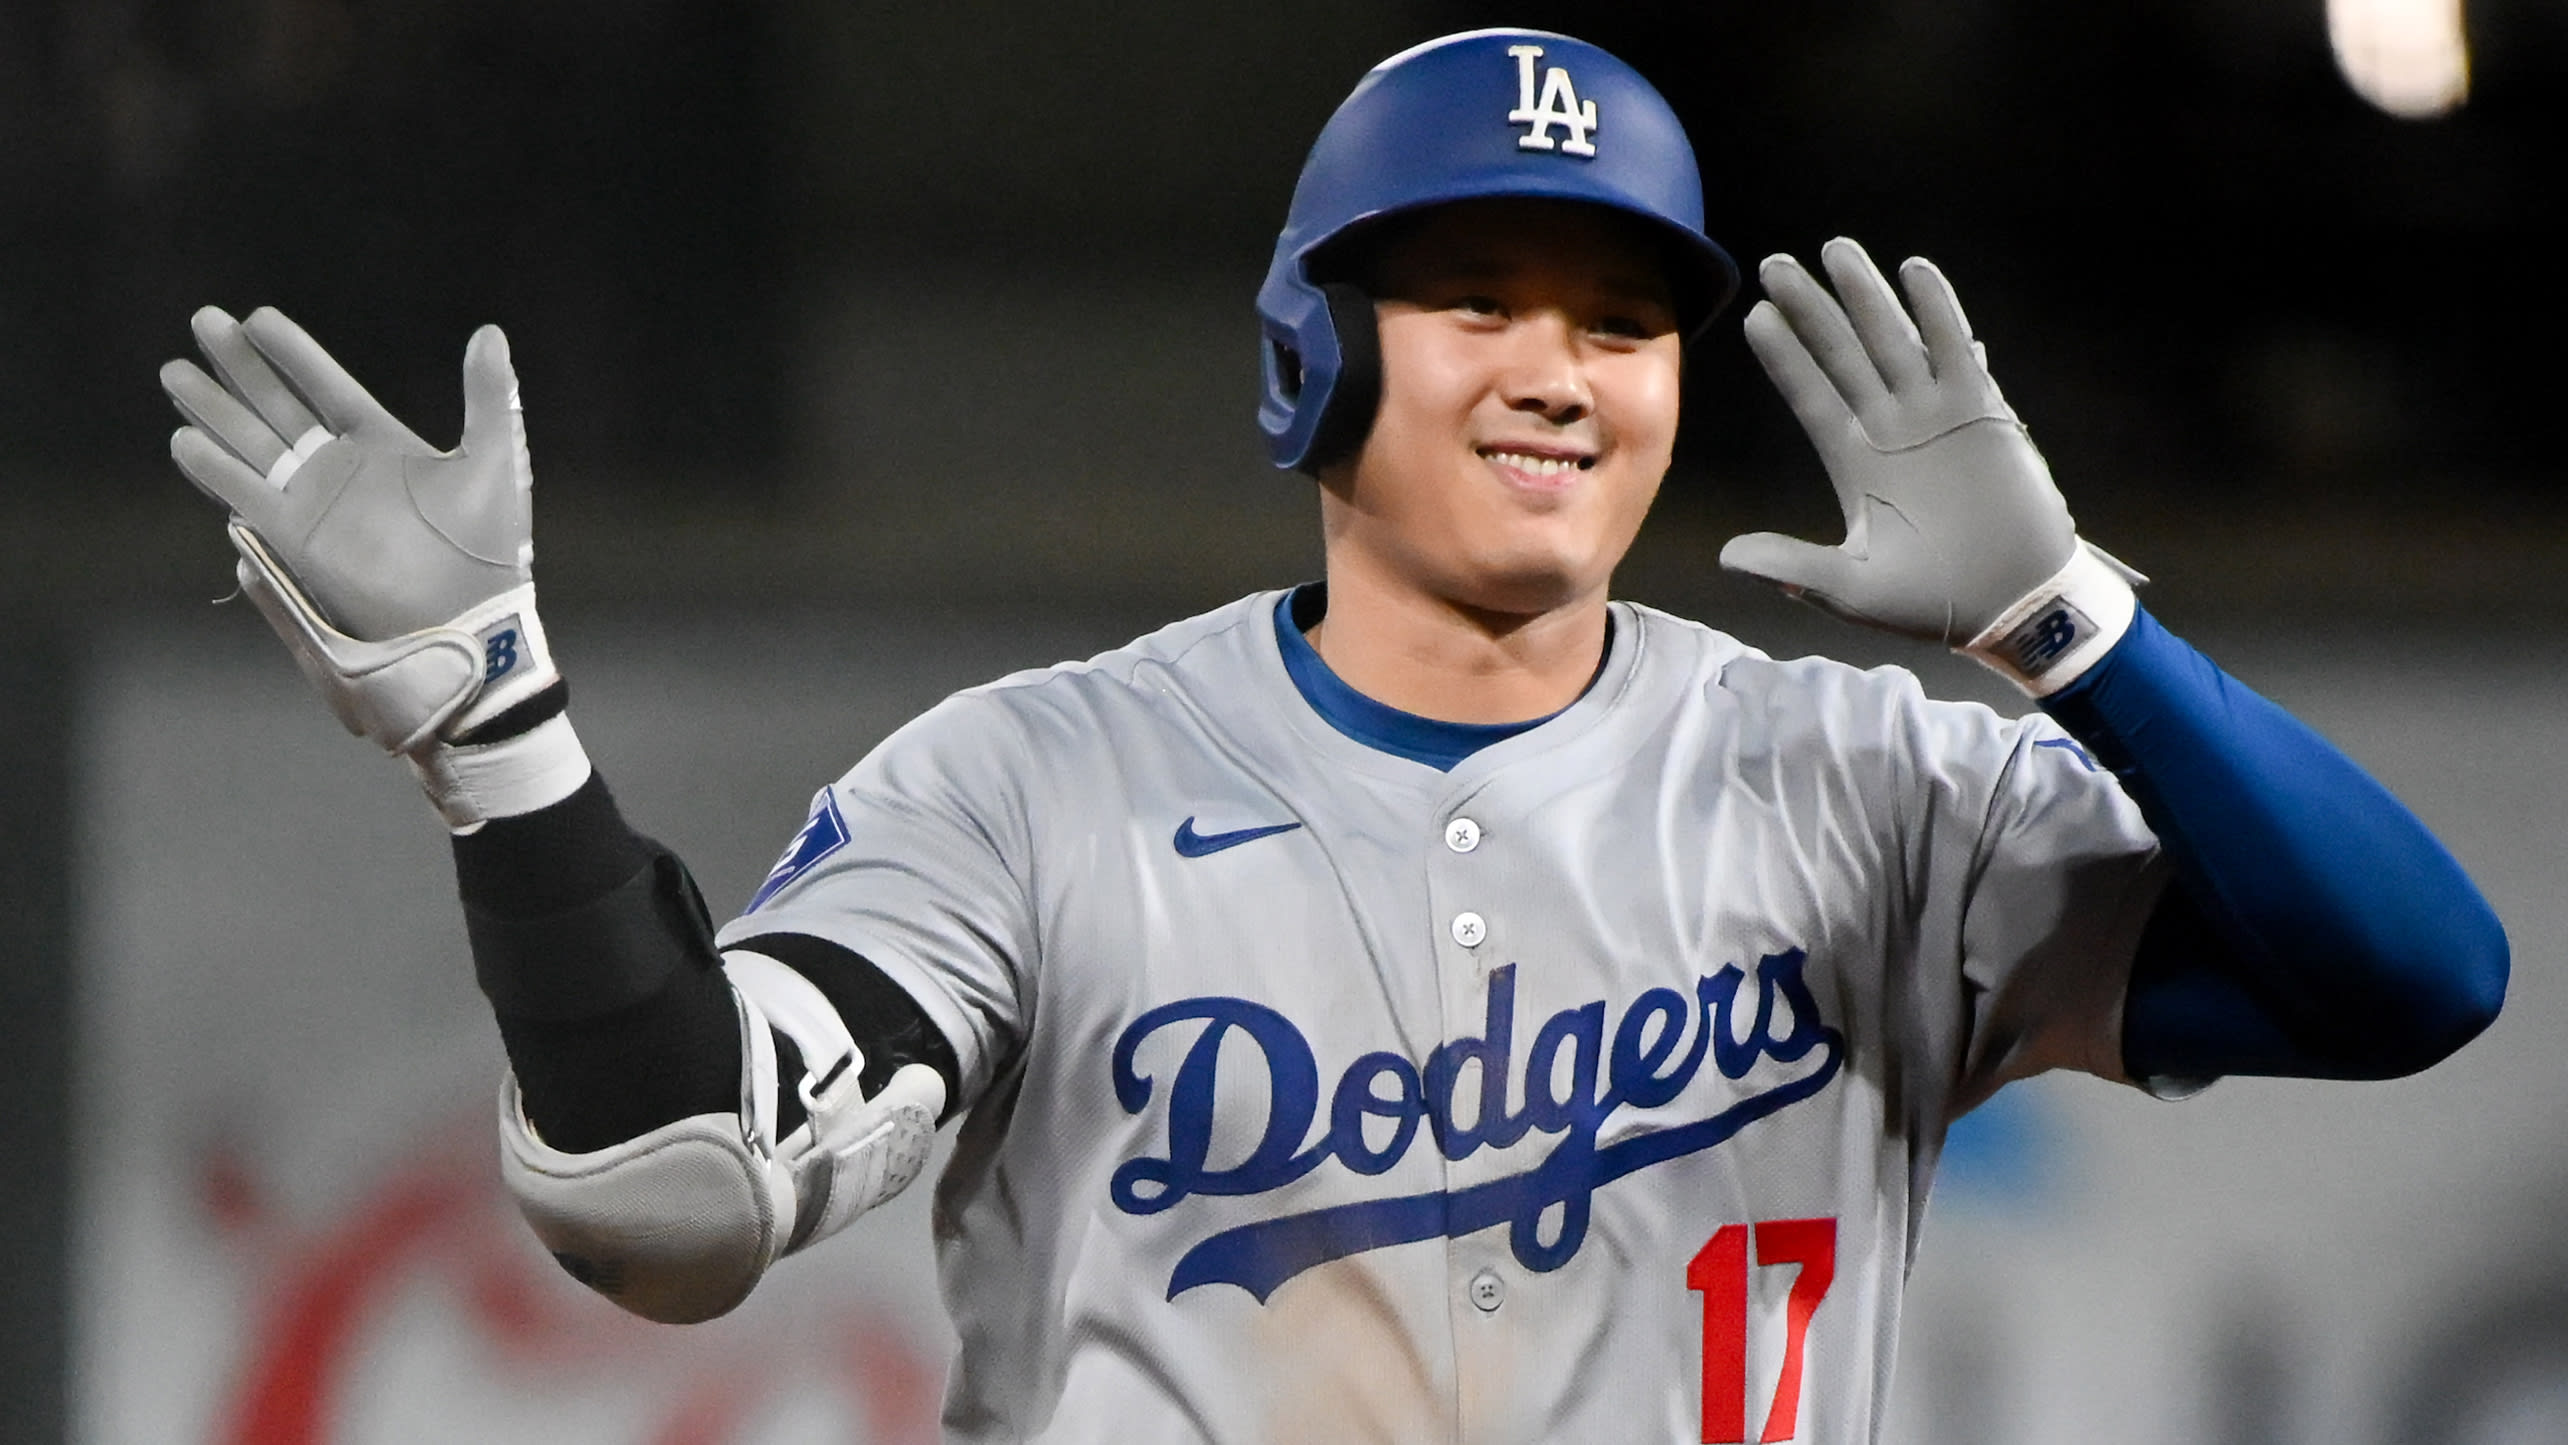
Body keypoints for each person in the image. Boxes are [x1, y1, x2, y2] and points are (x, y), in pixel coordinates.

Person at [159, 28, 2505, 1445]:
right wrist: (499, 728)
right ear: (1310, 359)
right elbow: (671, 1196)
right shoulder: (1033, 784)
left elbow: (2415, 979)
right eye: (1477, 293)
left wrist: (2065, 621)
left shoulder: (1868, 785)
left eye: (1619, 314)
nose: (1559, 367)